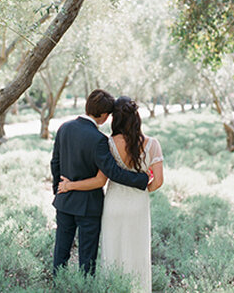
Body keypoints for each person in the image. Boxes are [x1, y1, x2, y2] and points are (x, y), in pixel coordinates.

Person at [58, 96, 164, 292]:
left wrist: (67, 186)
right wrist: (143, 188)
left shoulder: (108, 143)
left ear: (115, 119)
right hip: (138, 205)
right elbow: (158, 181)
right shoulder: (152, 144)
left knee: (112, 252)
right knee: (137, 252)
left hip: (113, 204)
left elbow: (102, 179)